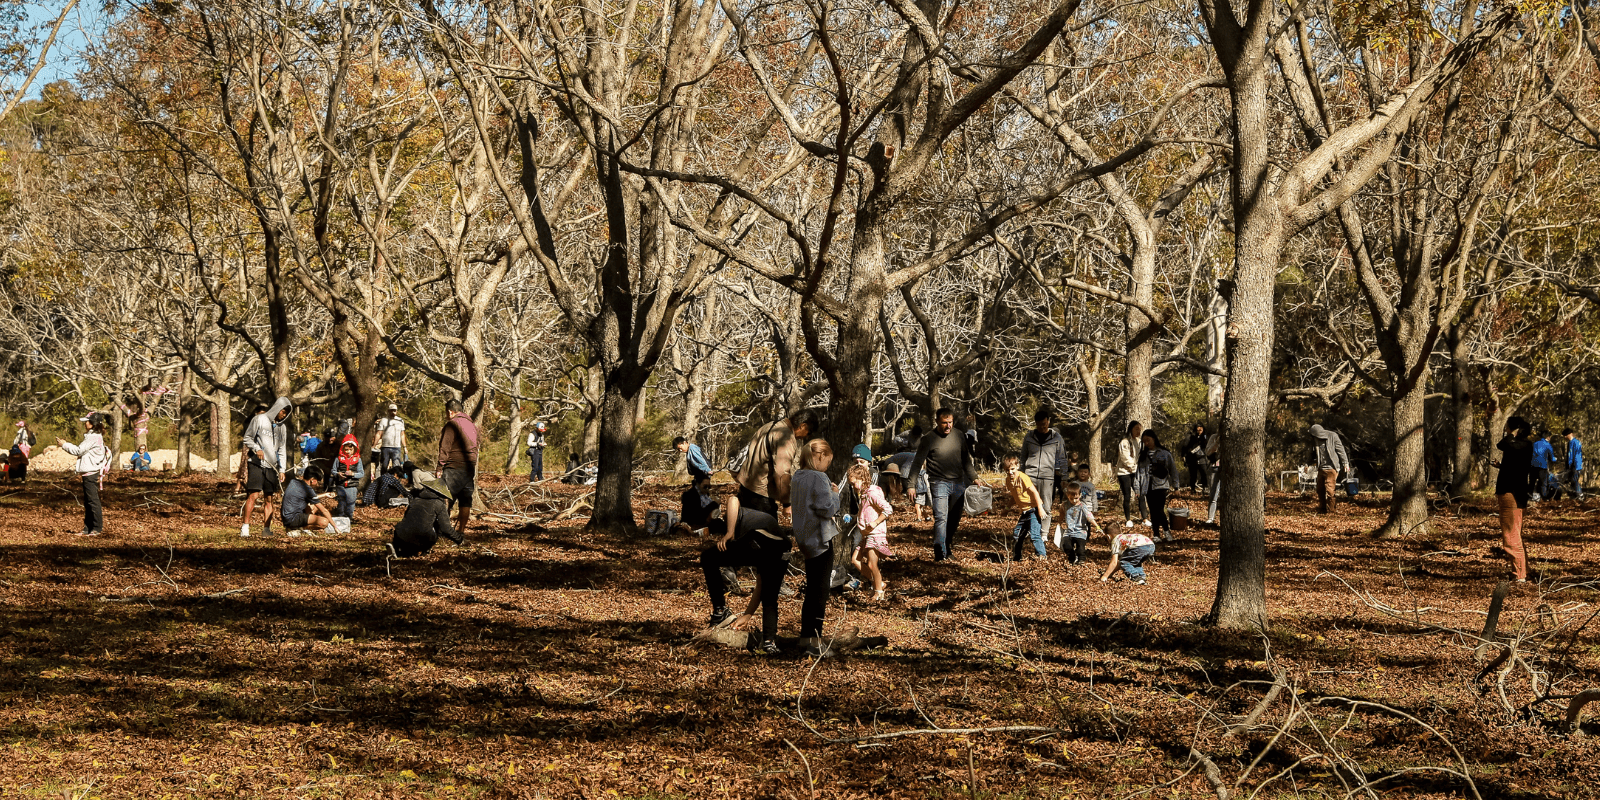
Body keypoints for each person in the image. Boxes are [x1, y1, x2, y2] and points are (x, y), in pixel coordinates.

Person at [700, 507, 792, 656]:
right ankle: (769, 641)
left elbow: (733, 500)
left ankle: (720, 610)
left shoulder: (733, 511)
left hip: (763, 540)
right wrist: (747, 615)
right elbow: (760, 585)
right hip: (781, 549)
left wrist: (729, 532)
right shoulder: (753, 520)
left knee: (708, 558)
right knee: (769, 595)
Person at [908, 408, 984, 562]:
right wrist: (911, 485)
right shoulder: (928, 439)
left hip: (958, 483)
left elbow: (966, 460)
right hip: (938, 483)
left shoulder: (959, 435)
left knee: (954, 518)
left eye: (950, 422)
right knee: (941, 517)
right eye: (944, 423)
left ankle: (947, 546)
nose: (948, 426)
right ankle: (939, 549)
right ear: (937, 421)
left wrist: (974, 478)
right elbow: (916, 463)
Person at [726, 409, 818, 536]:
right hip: (761, 495)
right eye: (809, 432)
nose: (806, 437)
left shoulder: (770, 425)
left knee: (745, 532)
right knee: (766, 540)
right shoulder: (786, 437)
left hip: (746, 487)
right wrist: (787, 503)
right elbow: (781, 473)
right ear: (803, 425)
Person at [790, 439, 840, 656]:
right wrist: (836, 495)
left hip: (804, 539)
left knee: (811, 591)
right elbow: (826, 509)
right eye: (827, 462)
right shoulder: (819, 477)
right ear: (820, 456)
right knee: (820, 593)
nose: (827, 466)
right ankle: (816, 643)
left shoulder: (797, 476)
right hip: (820, 540)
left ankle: (805, 638)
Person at [240, 397, 293, 538]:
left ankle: (266, 529)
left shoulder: (282, 428)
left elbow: (282, 449)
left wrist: (281, 469)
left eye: (287, 413)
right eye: (283, 411)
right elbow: (247, 438)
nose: (284, 415)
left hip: (272, 467)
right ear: (277, 408)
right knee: (254, 495)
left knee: (269, 498)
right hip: (256, 463)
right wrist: (257, 448)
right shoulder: (259, 419)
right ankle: (245, 527)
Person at [1493, 417, 1535, 582]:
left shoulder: (1522, 444)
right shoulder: (1520, 445)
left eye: (1507, 426)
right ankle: (1523, 572)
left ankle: (1519, 575)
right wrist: (1500, 466)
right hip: (1515, 493)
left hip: (1512, 494)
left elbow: (1503, 444)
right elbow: (1515, 467)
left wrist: (1511, 432)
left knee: (1511, 535)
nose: (1505, 429)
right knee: (1515, 534)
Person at [58, 412, 111, 537]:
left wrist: (64, 445)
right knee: (88, 501)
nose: (85, 423)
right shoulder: (93, 436)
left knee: (92, 501)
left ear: (93, 423)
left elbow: (78, 450)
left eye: (88, 421)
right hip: (89, 472)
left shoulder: (93, 437)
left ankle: (96, 528)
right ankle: (88, 528)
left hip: (90, 472)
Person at [391, 469, 465, 557]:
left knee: (407, 533)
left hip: (400, 535)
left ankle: (397, 549)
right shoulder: (439, 504)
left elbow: (406, 518)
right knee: (432, 534)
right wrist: (459, 540)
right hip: (422, 537)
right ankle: (423, 552)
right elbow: (446, 529)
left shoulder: (416, 500)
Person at [848, 462, 893, 602]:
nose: (853, 486)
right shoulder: (863, 495)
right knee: (855, 560)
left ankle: (878, 592)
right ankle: (879, 583)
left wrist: (875, 523)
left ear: (862, 479)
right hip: (866, 535)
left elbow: (888, 509)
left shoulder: (873, 493)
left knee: (872, 564)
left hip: (875, 535)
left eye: (854, 482)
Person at [437, 398, 480, 538]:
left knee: (445, 498)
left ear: (450, 412)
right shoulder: (473, 426)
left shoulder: (452, 424)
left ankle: (444, 530)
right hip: (469, 468)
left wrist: (439, 467)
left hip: (454, 467)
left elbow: (445, 447)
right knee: (465, 499)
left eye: (445, 413)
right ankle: (461, 531)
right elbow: (477, 445)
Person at [1021, 408, 1067, 517]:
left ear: (1048, 421)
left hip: (1047, 477)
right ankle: (1032, 531)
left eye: (1044, 424)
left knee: (1046, 507)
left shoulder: (1057, 437)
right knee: (1029, 506)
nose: (1042, 427)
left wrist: (1065, 477)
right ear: (1035, 424)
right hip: (1030, 475)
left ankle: (1044, 533)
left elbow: (1063, 458)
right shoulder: (1029, 436)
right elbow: (1023, 456)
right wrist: (1021, 474)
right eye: (1039, 425)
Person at [1003, 454, 1048, 561]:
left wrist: (1040, 508)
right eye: (1007, 470)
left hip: (1034, 510)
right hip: (1024, 512)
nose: (1010, 472)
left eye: (1012, 469)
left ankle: (1042, 556)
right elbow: (1014, 496)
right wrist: (1007, 508)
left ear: (1017, 466)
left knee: (1035, 534)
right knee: (1017, 534)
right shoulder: (1008, 480)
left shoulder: (1023, 478)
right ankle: (1017, 557)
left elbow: (1035, 493)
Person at [1140, 431, 1179, 542]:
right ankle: (1156, 534)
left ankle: (1166, 531)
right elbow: (1140, 472)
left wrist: (1176, 487)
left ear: (1154, 438)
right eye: (1144, 441)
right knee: (1152, 510)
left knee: (1159, 509)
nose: (1146, 443)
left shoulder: (1165, 453)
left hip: (1162, 485)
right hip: (1147, 486)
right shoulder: (1143, 455)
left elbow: (1173, 470)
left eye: (1148, 440)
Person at [281, 466, 337, 535]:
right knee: (324, 522)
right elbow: (323, 510)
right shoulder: (308, 490)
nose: (318, 485)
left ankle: (294, 527)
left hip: (286, 518)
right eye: (318, 482)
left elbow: (310, 497)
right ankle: (300, 529)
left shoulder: (294, 482)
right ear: (312, 480)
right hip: (293, 518)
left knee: (313, 507)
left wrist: (325, 495)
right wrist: (335, 527)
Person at [1308, 424, 1351, 513]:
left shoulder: (1332, 436)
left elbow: (1340, 450)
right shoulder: (1315, 440)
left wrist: (1345, 463)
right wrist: (1307, 464)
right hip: (1321, 468)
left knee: (1330, 490)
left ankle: (1332, 511)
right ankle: (1322, 509)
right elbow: (1312, 454)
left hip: (1332, 468)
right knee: (1320, 490)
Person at [1115, 421, 1148, 527]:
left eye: (1140, 429)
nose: (1138, 431)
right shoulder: (1124, 442)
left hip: (1135, 471)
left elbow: (1139, 457)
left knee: (1141, 494)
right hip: (1124, 472)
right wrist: (1133, 467)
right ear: (1131, 429)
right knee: (1127, 496)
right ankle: (1128, 519)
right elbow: (1125, 458)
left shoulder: (1138, 441)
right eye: (1136, 429)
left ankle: (1145, 518)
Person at [1061, 482, 1103, 565]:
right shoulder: (1065, 505)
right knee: (1066, 546)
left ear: (1080, 495)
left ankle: (1081, 560)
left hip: (1080, 531)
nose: (1074, 500)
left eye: (1076, 498)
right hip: (1069, 531)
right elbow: (1061, 514)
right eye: (1071, 498)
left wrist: (1097, 526)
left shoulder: (1082, 506)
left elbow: (1089, 517)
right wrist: (1061, 523)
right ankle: (1072, 558)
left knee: (1081, 548)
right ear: (1067, 496)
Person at [328, 434, 364, 519]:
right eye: (346, 449)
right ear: (343, 448)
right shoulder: (338, 459)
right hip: (341, 486)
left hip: (352, 487)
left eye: (350, 449)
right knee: (341, 505)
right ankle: (340, 521)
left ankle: (349, 521)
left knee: (350, 506)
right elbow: (333, 471)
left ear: (355, 449)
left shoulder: (358, 460)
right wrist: (338, 473)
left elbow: (362, 473)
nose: (348, 452)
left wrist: (353, 474)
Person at [373, 404, 408, 473]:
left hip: (396, 447)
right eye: (391, 410)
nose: (393, 412)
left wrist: (405, 447)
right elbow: (379, 434)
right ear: (388, 411)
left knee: (396, 467)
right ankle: (383, 481)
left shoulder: (400, 421)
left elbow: (402, 434)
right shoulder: (383, 420)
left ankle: (395, 482)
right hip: (385, 447)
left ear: (396, 411)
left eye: (394, 411)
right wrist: (374, 445)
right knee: (384, 466)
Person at [1182, 423, 1210, 492]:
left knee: (1204, 474)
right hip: (1192, 459)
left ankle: (1205, 488)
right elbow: (1185, 447)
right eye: (1198, 429)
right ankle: (1192, 489)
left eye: (1201, 428)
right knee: (1193, 475)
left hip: (1202, 458)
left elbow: (1207, 447)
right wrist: (1184, 456)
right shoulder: (1191, 437)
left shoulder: (1206, 437)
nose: (1199, 430)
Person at [1565, 428, 1584, 499]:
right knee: (1570, 480)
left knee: (1574, 480)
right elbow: (1568, 456)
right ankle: (1574, 496)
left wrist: (1574, 465)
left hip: (1576, 465)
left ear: (1570, 434)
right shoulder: (1569, 443)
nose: (1565, 437)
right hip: (1571, 465)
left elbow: (1576, 455)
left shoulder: (1576, 442)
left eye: (1566, 435)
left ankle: (1580, 495)